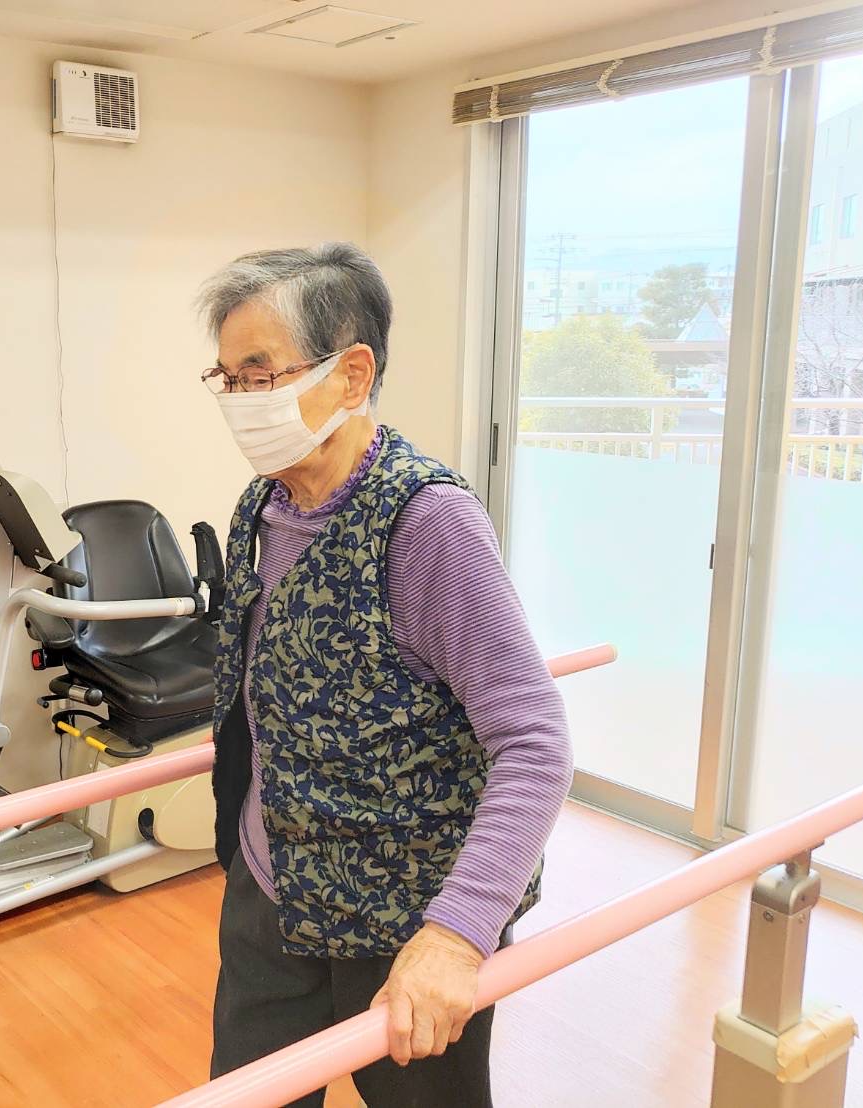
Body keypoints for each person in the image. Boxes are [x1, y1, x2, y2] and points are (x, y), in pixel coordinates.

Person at [197, 243, 573, 1107]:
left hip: (404, 916)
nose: (240, 403)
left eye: (260, 376)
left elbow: (533, 741)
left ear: (351, 374)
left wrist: (456, 934)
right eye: (227, 380)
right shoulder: (262, 503)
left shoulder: (427, 523)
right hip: (272, 884)